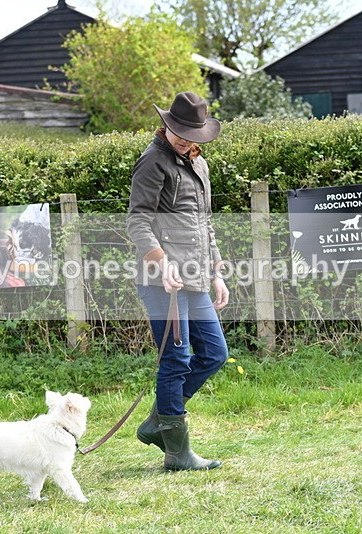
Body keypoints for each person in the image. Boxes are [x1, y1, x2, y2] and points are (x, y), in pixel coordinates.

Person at [126, 91, 229, 471]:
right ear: (167, 125)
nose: (186, 140)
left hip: (197, 278)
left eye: (192, 134)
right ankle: (177, 451)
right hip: (162, 281)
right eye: (180, 132)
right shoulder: (153, 162)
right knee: (177, 359)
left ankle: (159, 421)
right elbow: (138, 221)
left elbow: (204, 224)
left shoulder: (199, 165)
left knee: (215, 354)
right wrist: (161, 261)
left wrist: (216, 271)